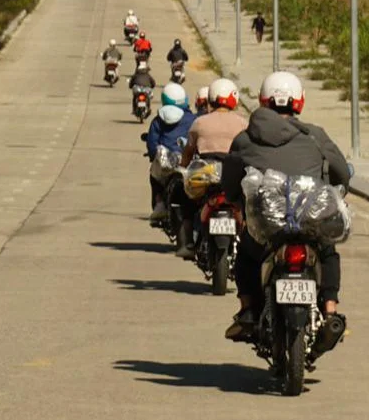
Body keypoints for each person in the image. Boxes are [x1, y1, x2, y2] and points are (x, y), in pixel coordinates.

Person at [221, 71, 350, 347]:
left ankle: (247, 311)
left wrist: (236, 202)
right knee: (327, 253)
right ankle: (330, 311)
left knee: (247, 254)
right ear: (299, 102)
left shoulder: (245, 139)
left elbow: (230, 182)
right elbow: (341, 173)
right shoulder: (316, 136)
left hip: (268, 225)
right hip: (311, 222)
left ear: (263, 101)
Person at [177, 78, 249, 259]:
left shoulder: (200, 122)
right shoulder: (242, 123)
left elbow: (188, 151)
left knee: (185, 198)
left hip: (205, 173)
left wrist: (182, 169)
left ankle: (189, 241)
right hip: (234, 173)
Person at [145, 82, 196, 222]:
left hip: (165, 163)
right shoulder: (192, 119)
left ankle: (159, 202)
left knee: (154, 177)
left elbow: (152, 144)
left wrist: (153, 156)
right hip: (187, 163)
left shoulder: (158, 121)